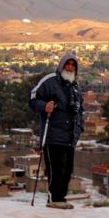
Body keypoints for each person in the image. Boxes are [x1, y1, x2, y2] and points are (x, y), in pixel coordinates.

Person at [29, 53, 84, 209]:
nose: (70, 67)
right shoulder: (50, 81)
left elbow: (80, 110)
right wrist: (44, 106)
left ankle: (61, 199)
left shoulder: (75, 87)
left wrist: (79, 128)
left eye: (73, 65)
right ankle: (54, 198)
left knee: (67, 171)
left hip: (70, 136)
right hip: (52, 135)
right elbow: (33, 98)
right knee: (56, 169)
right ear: (61, 65)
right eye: (68, 64)